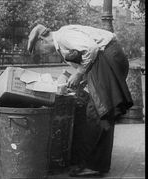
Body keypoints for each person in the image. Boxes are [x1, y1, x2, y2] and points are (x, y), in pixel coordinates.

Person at [27, 24, 133, 177]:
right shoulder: (61, 44)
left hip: (108, 57)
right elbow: (86, 58)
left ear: (42, 39)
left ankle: (92, 164)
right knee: (104, 112)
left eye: (38, 50)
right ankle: (98, 164)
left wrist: (79, 73)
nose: (41, 54)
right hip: (109, 59)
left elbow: (91, 49)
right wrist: (82, 78)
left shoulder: (63, 36)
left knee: (96, 111)